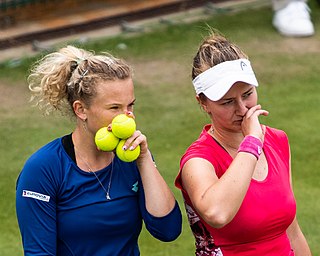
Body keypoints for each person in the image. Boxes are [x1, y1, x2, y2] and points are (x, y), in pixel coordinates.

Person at [16, 45, 182, 255]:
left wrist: (145, 160)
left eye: (130, 105)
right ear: (81, 110)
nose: (127, 117)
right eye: (115, 108)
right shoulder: (43, 169)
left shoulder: (133, 157)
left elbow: (168, 230)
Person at [175, 31, 312, 255]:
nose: (242, 109)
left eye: (247, 94)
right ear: (203, 103)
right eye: (227, 102)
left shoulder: (277, 140)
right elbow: (217, 213)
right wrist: (251, 143)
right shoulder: (198, 161)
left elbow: (292, 230)